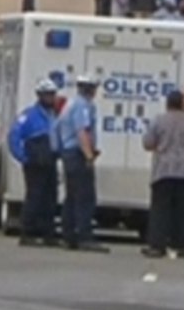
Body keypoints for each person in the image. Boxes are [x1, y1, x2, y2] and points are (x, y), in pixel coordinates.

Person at [141, 89, 184, 259]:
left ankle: (157, 245)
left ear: (167, 103)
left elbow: (148, 143)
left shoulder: (159, 120)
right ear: (182, 104)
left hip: (164, 170)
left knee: (160, 210)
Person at [56, 76, 109, 252]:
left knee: (71, 197)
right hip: (77, 155)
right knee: (84, 197)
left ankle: (69, 235)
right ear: (89, 89)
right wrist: (89, 155)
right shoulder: (82, 106)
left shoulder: (71, 104)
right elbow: (82, 132)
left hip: (68, 154)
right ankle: (84, 236)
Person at [8, 79, 60, 247]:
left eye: (52, 94)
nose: (50, 98)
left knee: (50, 198)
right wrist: (23, 157)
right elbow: (14, 136)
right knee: (34, 197)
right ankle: (27, 232)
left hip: (50, 161)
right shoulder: (29, 115)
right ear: (39, 96)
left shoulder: (55, 115)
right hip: (35, 163)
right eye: (47, 95)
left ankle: (48, 233)